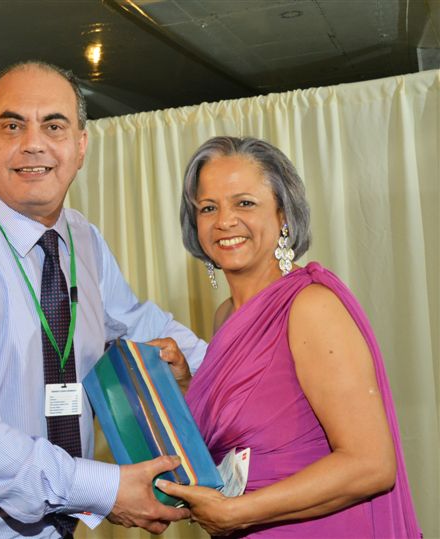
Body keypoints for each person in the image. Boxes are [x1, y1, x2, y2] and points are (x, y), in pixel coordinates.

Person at [0, 60, 206, 538]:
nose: (34, 143)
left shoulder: (84, 240)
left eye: (54, 125)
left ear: (80, 146)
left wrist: (248, 379)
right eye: (13, 126)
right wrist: (101, 487)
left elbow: (140, 324)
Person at [155, 136, 422, 537]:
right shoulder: (226, 315)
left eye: (245, 203)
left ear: (283, 214)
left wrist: (237, 512)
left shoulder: (310, 306)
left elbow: (371, 465)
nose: (224, 221)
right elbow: (255, 425)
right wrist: (187, 385)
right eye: (208, 207)